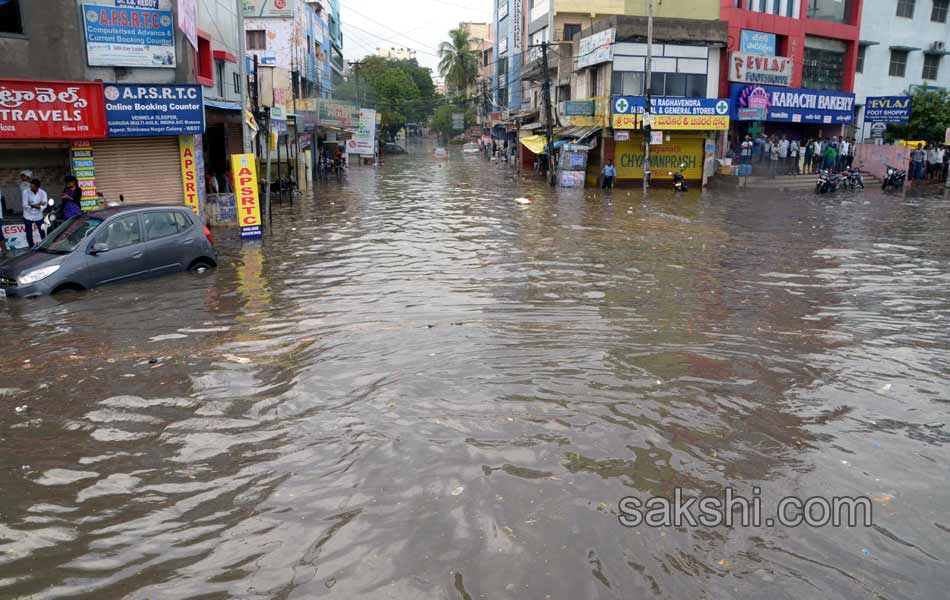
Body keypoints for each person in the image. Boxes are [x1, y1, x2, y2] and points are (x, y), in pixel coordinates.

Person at [22, 178, 47, 248]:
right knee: (29, 233)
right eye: (30, 186)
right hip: (28, 215)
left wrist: (32, 205)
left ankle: (44, 245)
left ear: (38, 187)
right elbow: (25, 205)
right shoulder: (25, 192)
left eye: (33, 187)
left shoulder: (43, 193)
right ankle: (31, 247)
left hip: (39, 215)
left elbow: (44, 205)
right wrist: (37, 205)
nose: (31, 188)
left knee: (42, 231)